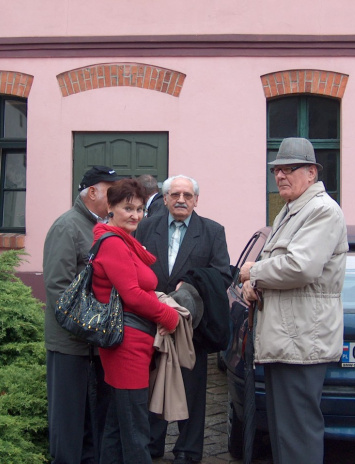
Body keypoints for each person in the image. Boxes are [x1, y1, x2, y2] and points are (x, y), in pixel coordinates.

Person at [239, 137, 348, 464]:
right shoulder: (292, 210)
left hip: (301, 339)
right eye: (277, 170)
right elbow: (280, 268)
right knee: (284, 432)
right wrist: (253, 284)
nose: (281, 176)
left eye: (290, 169)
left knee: (298, 434)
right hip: (287, 338)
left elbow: (301, 267)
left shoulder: (321, 210)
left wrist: (253, 272)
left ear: (312, 173)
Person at [134, 174, 231, 464]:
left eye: (187, 195)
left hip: (192, 327)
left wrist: (190, 285)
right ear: (164, 199)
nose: (181, 200)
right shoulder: (146, 227)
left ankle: (188, 450)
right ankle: (152, 445)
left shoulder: (212, 231)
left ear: (196, 200)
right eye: (175, 194)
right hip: (153, 322)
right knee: (153, 385)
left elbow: (223, 274)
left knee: (192, 389)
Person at [91, 178, 181, 464]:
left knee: (118, 425)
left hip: (132, 343)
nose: (135, 215)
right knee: (136, 431)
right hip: (126, 345)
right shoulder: (113, 244)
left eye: (140, 209)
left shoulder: (126, 242)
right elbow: (131, 294)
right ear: (111, 208)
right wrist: (169, 315)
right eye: (128, 208)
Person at [43, 165, 122, 464]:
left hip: (95, 345)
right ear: (92, 192)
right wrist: (92, 325)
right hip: (71, 345)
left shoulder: (100, 226)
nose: (115, 197)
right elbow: (58, 288)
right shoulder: (67, 226)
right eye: (110, 190)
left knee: (93, 423)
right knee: (68, 422)